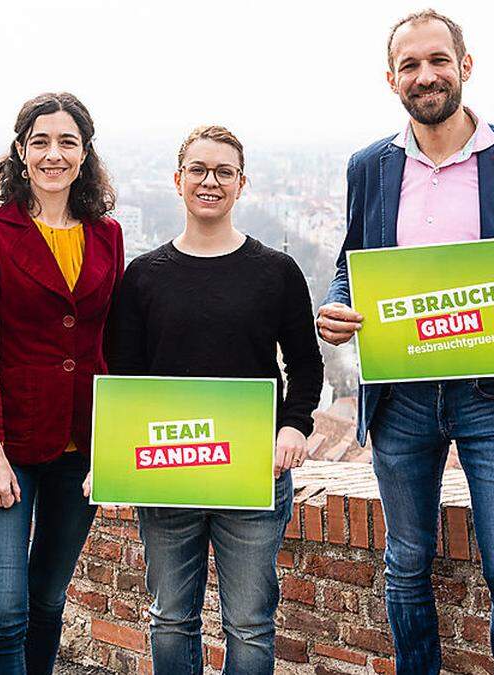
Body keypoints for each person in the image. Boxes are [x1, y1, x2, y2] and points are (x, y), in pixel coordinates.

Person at [315, 11, 494, 673]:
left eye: (437, 61)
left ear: (465, 65)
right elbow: (351, 263)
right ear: (391, 79)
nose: (426, 76)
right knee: (406, 562)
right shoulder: (370, 166)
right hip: (403, 395)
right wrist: (337, 303)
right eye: (411, 65)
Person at [107, 125, 323, 674]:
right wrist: (110, 460)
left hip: (253, 472)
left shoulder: (276, 271)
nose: (210, 181)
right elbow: (125, 380)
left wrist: (294, 427)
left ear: (241, 183)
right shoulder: (143, 277)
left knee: (250, 626)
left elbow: (306, 364)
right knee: (171, 619)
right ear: (178, 180)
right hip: (167, 473)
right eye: (199, 171)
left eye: (223, 172)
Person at [0, 92, 124, 675]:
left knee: (48, 599)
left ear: (85, 153)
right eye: (41, 142)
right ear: (22, 152)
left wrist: (115, 447)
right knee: (5, 610)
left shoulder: (108, 234)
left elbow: (109, 344)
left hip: (82, 444)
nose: (54, 154)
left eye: (68, 142)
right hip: (9, 442)